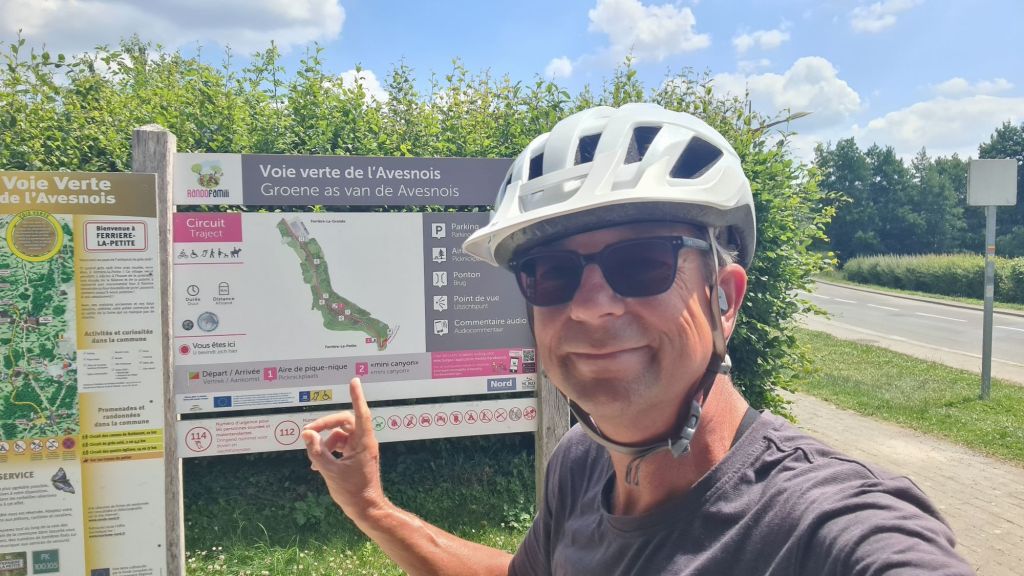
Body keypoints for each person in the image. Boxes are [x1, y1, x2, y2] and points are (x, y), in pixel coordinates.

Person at [302, 103, 975, 575]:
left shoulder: (817, 526)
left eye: (642, 262)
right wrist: (370, 505)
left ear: (726, 297)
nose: (592, 305)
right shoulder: (582, 460)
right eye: (553, 274)